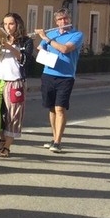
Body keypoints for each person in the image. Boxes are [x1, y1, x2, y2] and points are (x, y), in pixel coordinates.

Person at [35, 9, 83, 153]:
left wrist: (46, 38)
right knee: (51, 108)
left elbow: (64, 49)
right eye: (60, 19)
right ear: (56, 22)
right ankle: (54, 137)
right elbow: (40, 48)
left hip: (66, 76)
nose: (63, 22)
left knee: (60, 108)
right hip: (48, 74)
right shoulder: (52, 33)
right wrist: (44, 50)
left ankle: (58, 141)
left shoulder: (76, 35)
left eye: (66, 19)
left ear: (69, 19)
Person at [0, 12, 34, 158]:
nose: (7, 27)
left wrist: (9, 46)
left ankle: (7, 146)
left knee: (13, 115)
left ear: (17, 25)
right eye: (5, 24)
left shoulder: (25, 42)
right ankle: (2, 138)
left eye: (10, 24)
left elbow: (26, 60)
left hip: (15, 81)